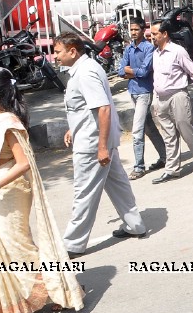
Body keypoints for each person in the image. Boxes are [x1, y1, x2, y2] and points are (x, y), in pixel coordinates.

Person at [0, 67, 85, 313]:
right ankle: (44, 290)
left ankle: (61, 287)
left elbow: (23, 164)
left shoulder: (9, 123)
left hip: (8, 192)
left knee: (19, 248)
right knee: (12, 248)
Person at [53, 34, 147, 256]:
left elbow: (103, 109)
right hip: (94, 138)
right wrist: (73, 127)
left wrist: (102, 147)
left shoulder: (85, 72)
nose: (54, 56)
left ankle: (73, 244)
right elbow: (85, 108)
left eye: (58, 52)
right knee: (118, 185)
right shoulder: (84, 69)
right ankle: (135, 225)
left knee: (84, 192)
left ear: (73, 51)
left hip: (93, 144)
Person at [149, 19, 193, 183]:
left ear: (165, 34)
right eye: (151, 34)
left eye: (155, 34)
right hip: (161, 99)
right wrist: (155, 100)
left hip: (178, 96)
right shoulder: (155, 53)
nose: (152, 37)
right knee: (168, 135)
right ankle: (172, 170)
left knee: (187, 131)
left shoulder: (178, 51)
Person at [119, 18, 167, 180]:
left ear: (142, 30)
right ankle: (165, 156)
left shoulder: (148, 48)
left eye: (136, 30)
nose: (133, 33)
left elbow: (144, 71)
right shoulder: (129, 48)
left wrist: (130, 71)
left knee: (137, 129)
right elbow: (120, 70)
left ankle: (139, 166)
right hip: (133, 91)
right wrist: (132, 71)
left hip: (145, 92)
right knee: (148, 127)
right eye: (131, 30)